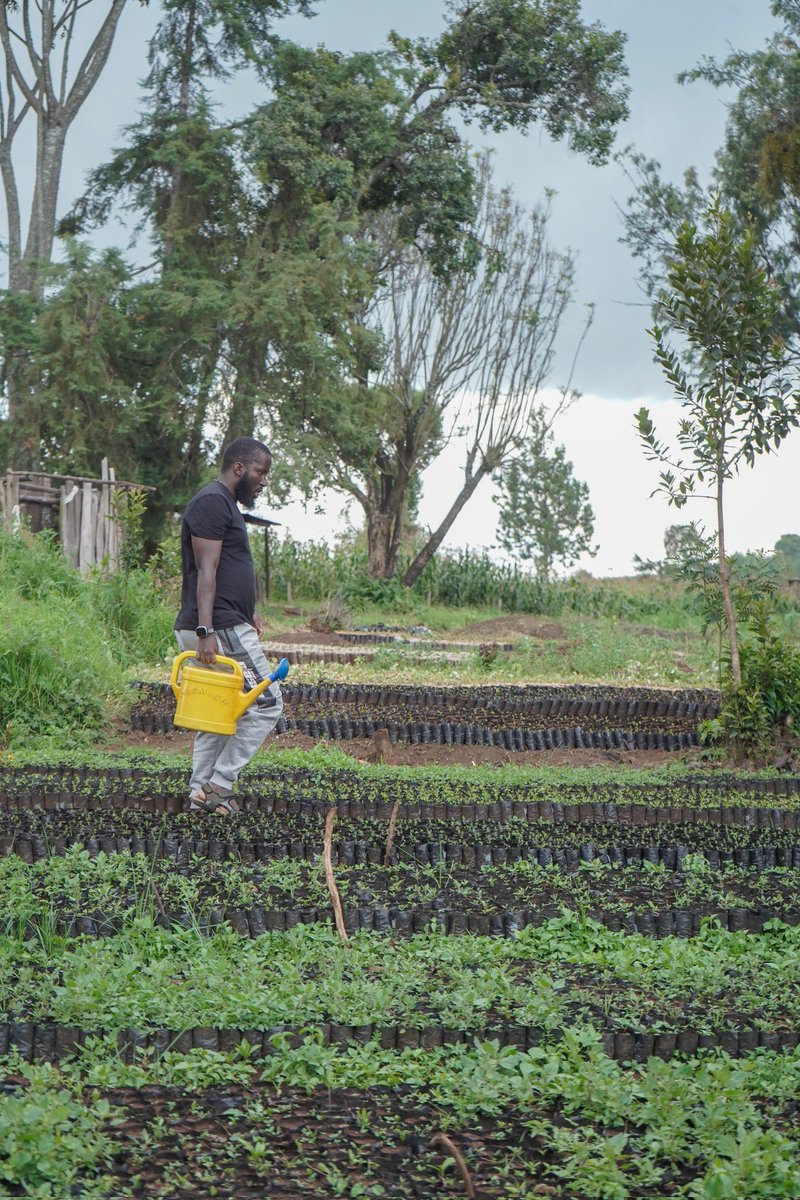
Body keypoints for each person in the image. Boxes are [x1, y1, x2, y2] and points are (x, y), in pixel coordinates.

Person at [174, 437, 283, 814]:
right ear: (239, 468)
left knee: (218, 712)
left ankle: (198, 796)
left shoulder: (226, 505)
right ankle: (219, 785)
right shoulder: (210, 502)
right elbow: (207, 572)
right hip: (218, 630)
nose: (263, 481)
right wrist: (207, 633)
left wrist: (247, 610)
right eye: (260, 472)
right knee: (267, 703)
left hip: (224, 623)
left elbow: (228, 570)